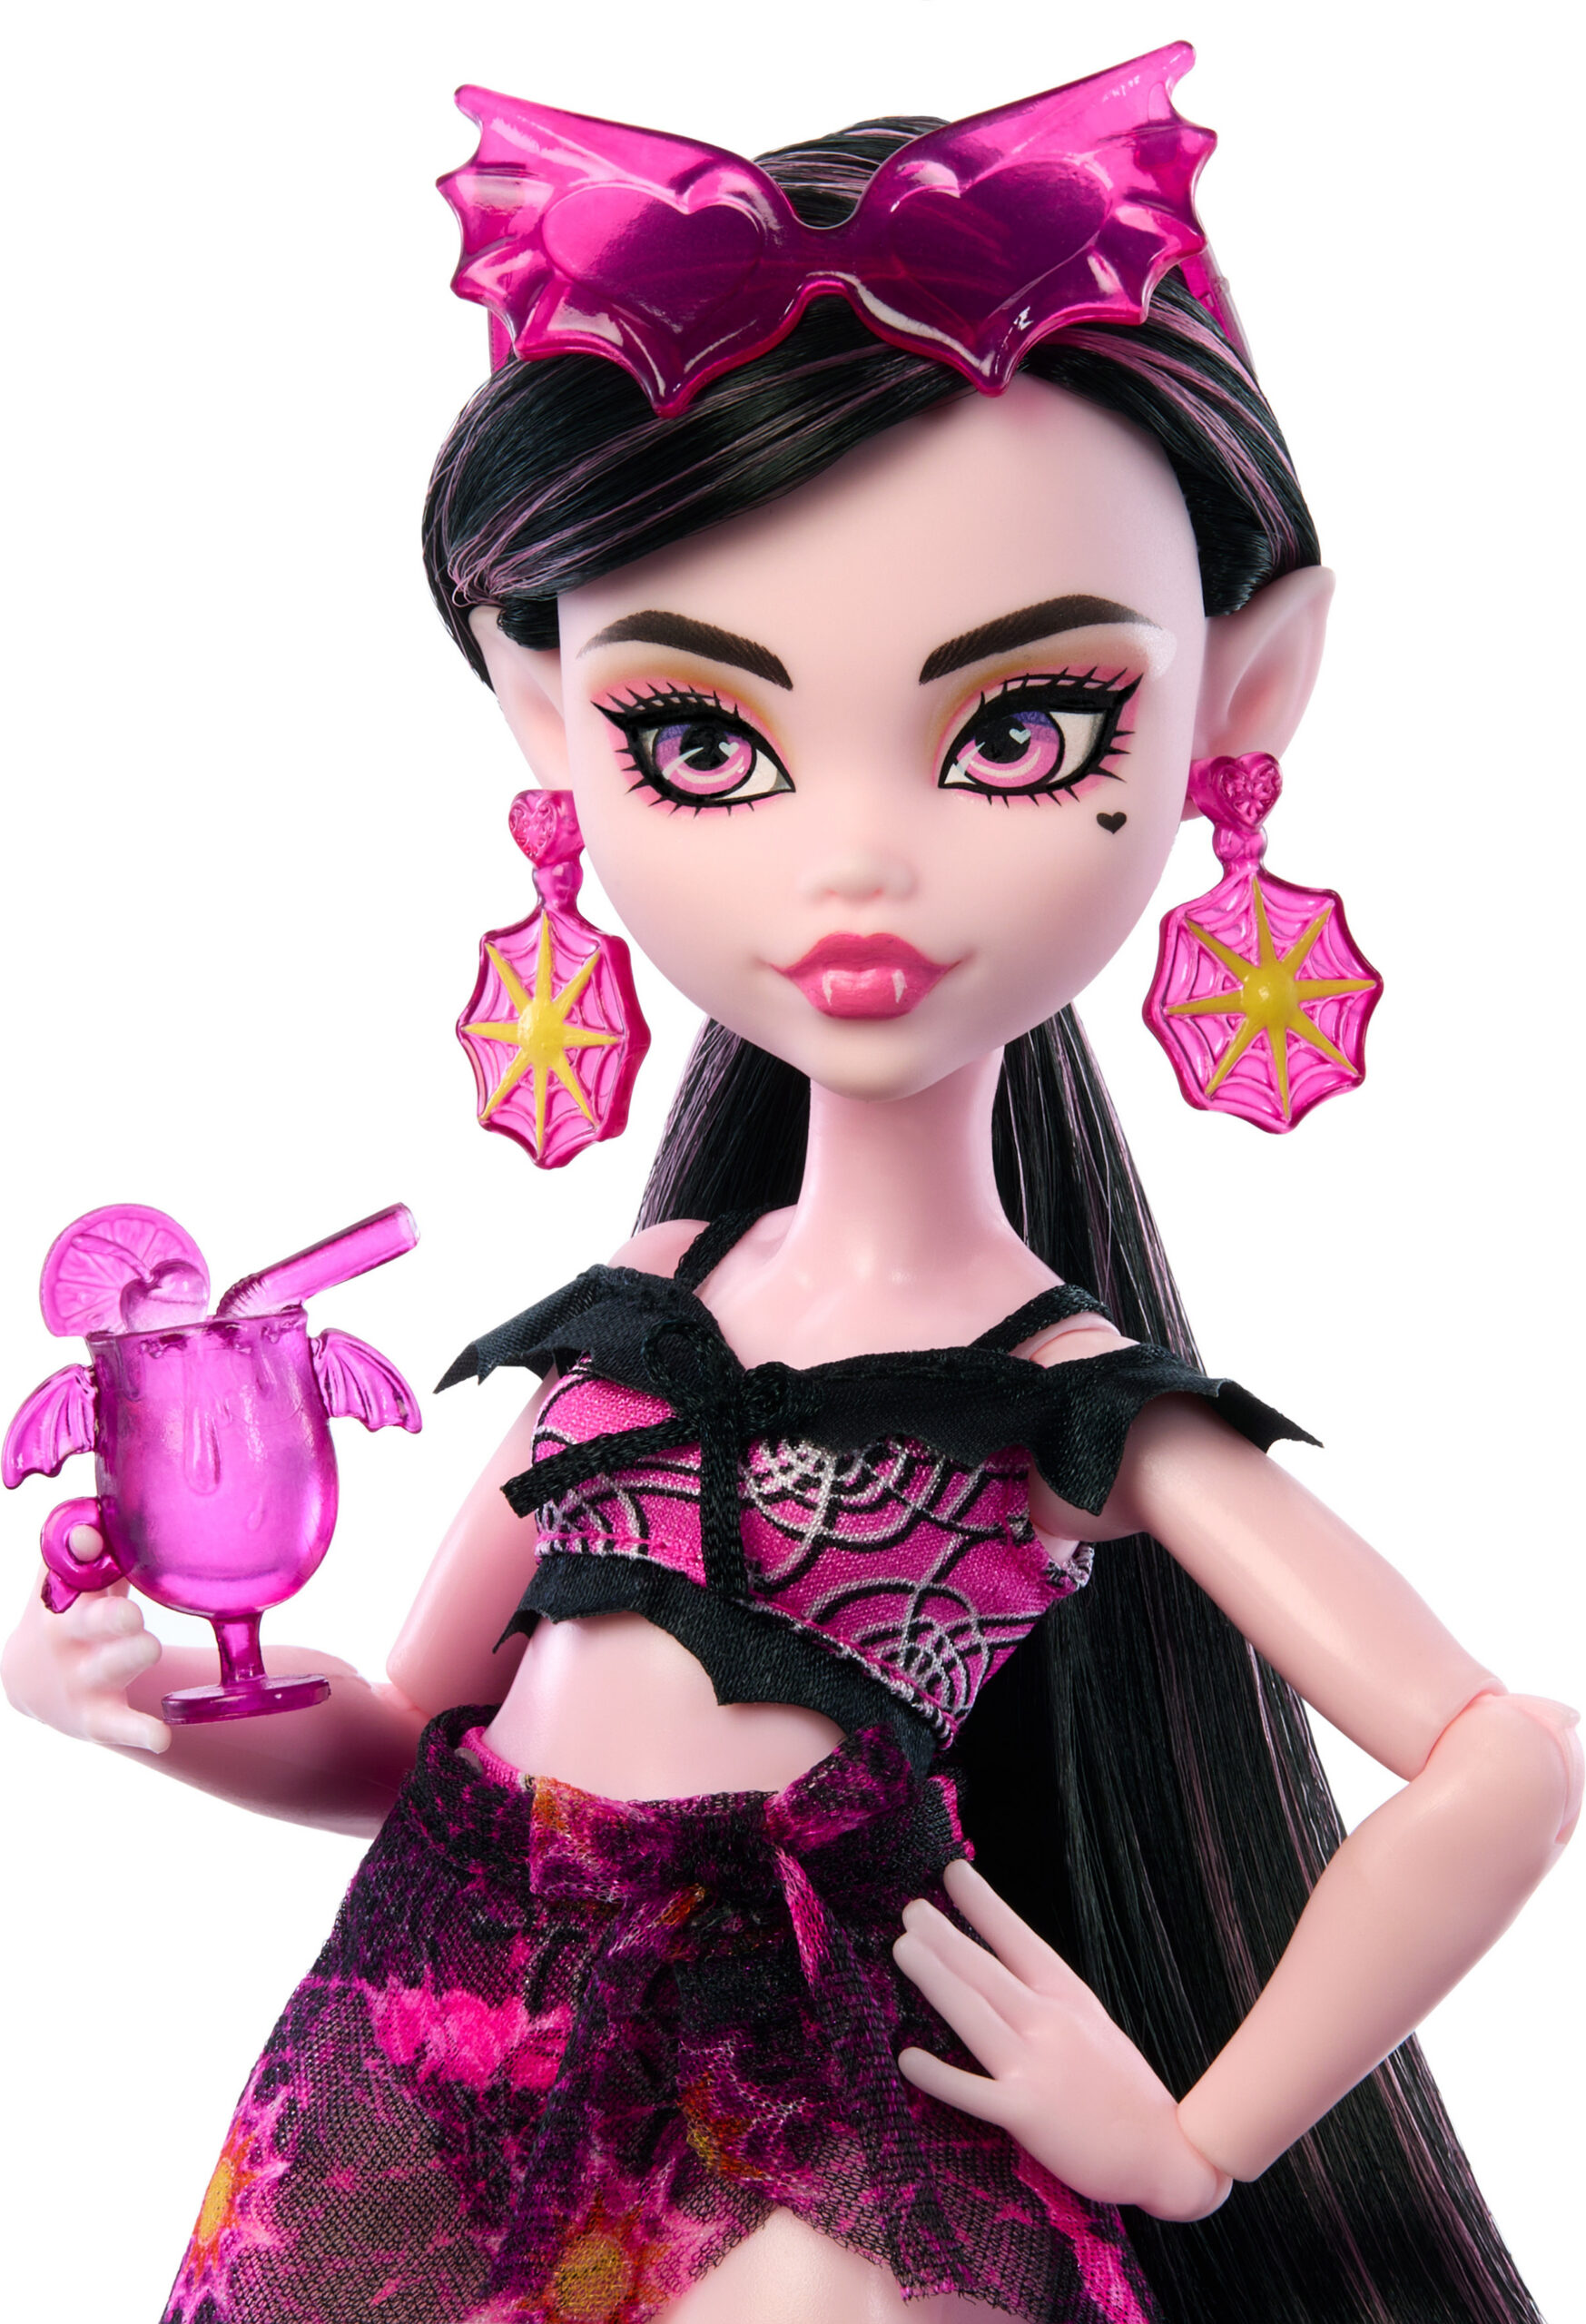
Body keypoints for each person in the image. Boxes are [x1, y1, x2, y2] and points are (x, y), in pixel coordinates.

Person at [3, 54, 1576, 2324]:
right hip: (429, 2055)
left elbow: (1505, 1755)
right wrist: (167, 1692)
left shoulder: (1064, 1398)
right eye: (701, 737)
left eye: (1016, 729)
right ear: (549, 718)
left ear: (1241, 697)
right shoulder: (642, 1296)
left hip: (812, 2100)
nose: (854, 864)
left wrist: (1190, 2133)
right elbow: (415, 1741)